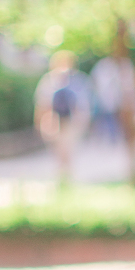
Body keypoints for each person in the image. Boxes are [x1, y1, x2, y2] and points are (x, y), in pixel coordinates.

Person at [33, 50, 91, 183]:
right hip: (54, 121)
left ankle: (67, 177)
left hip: (70, 122)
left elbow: (82, 105)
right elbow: (42, 104)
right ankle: (62, 177)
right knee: (59, 151)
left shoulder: (77, 80)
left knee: (68, 150)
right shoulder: (49, 81)